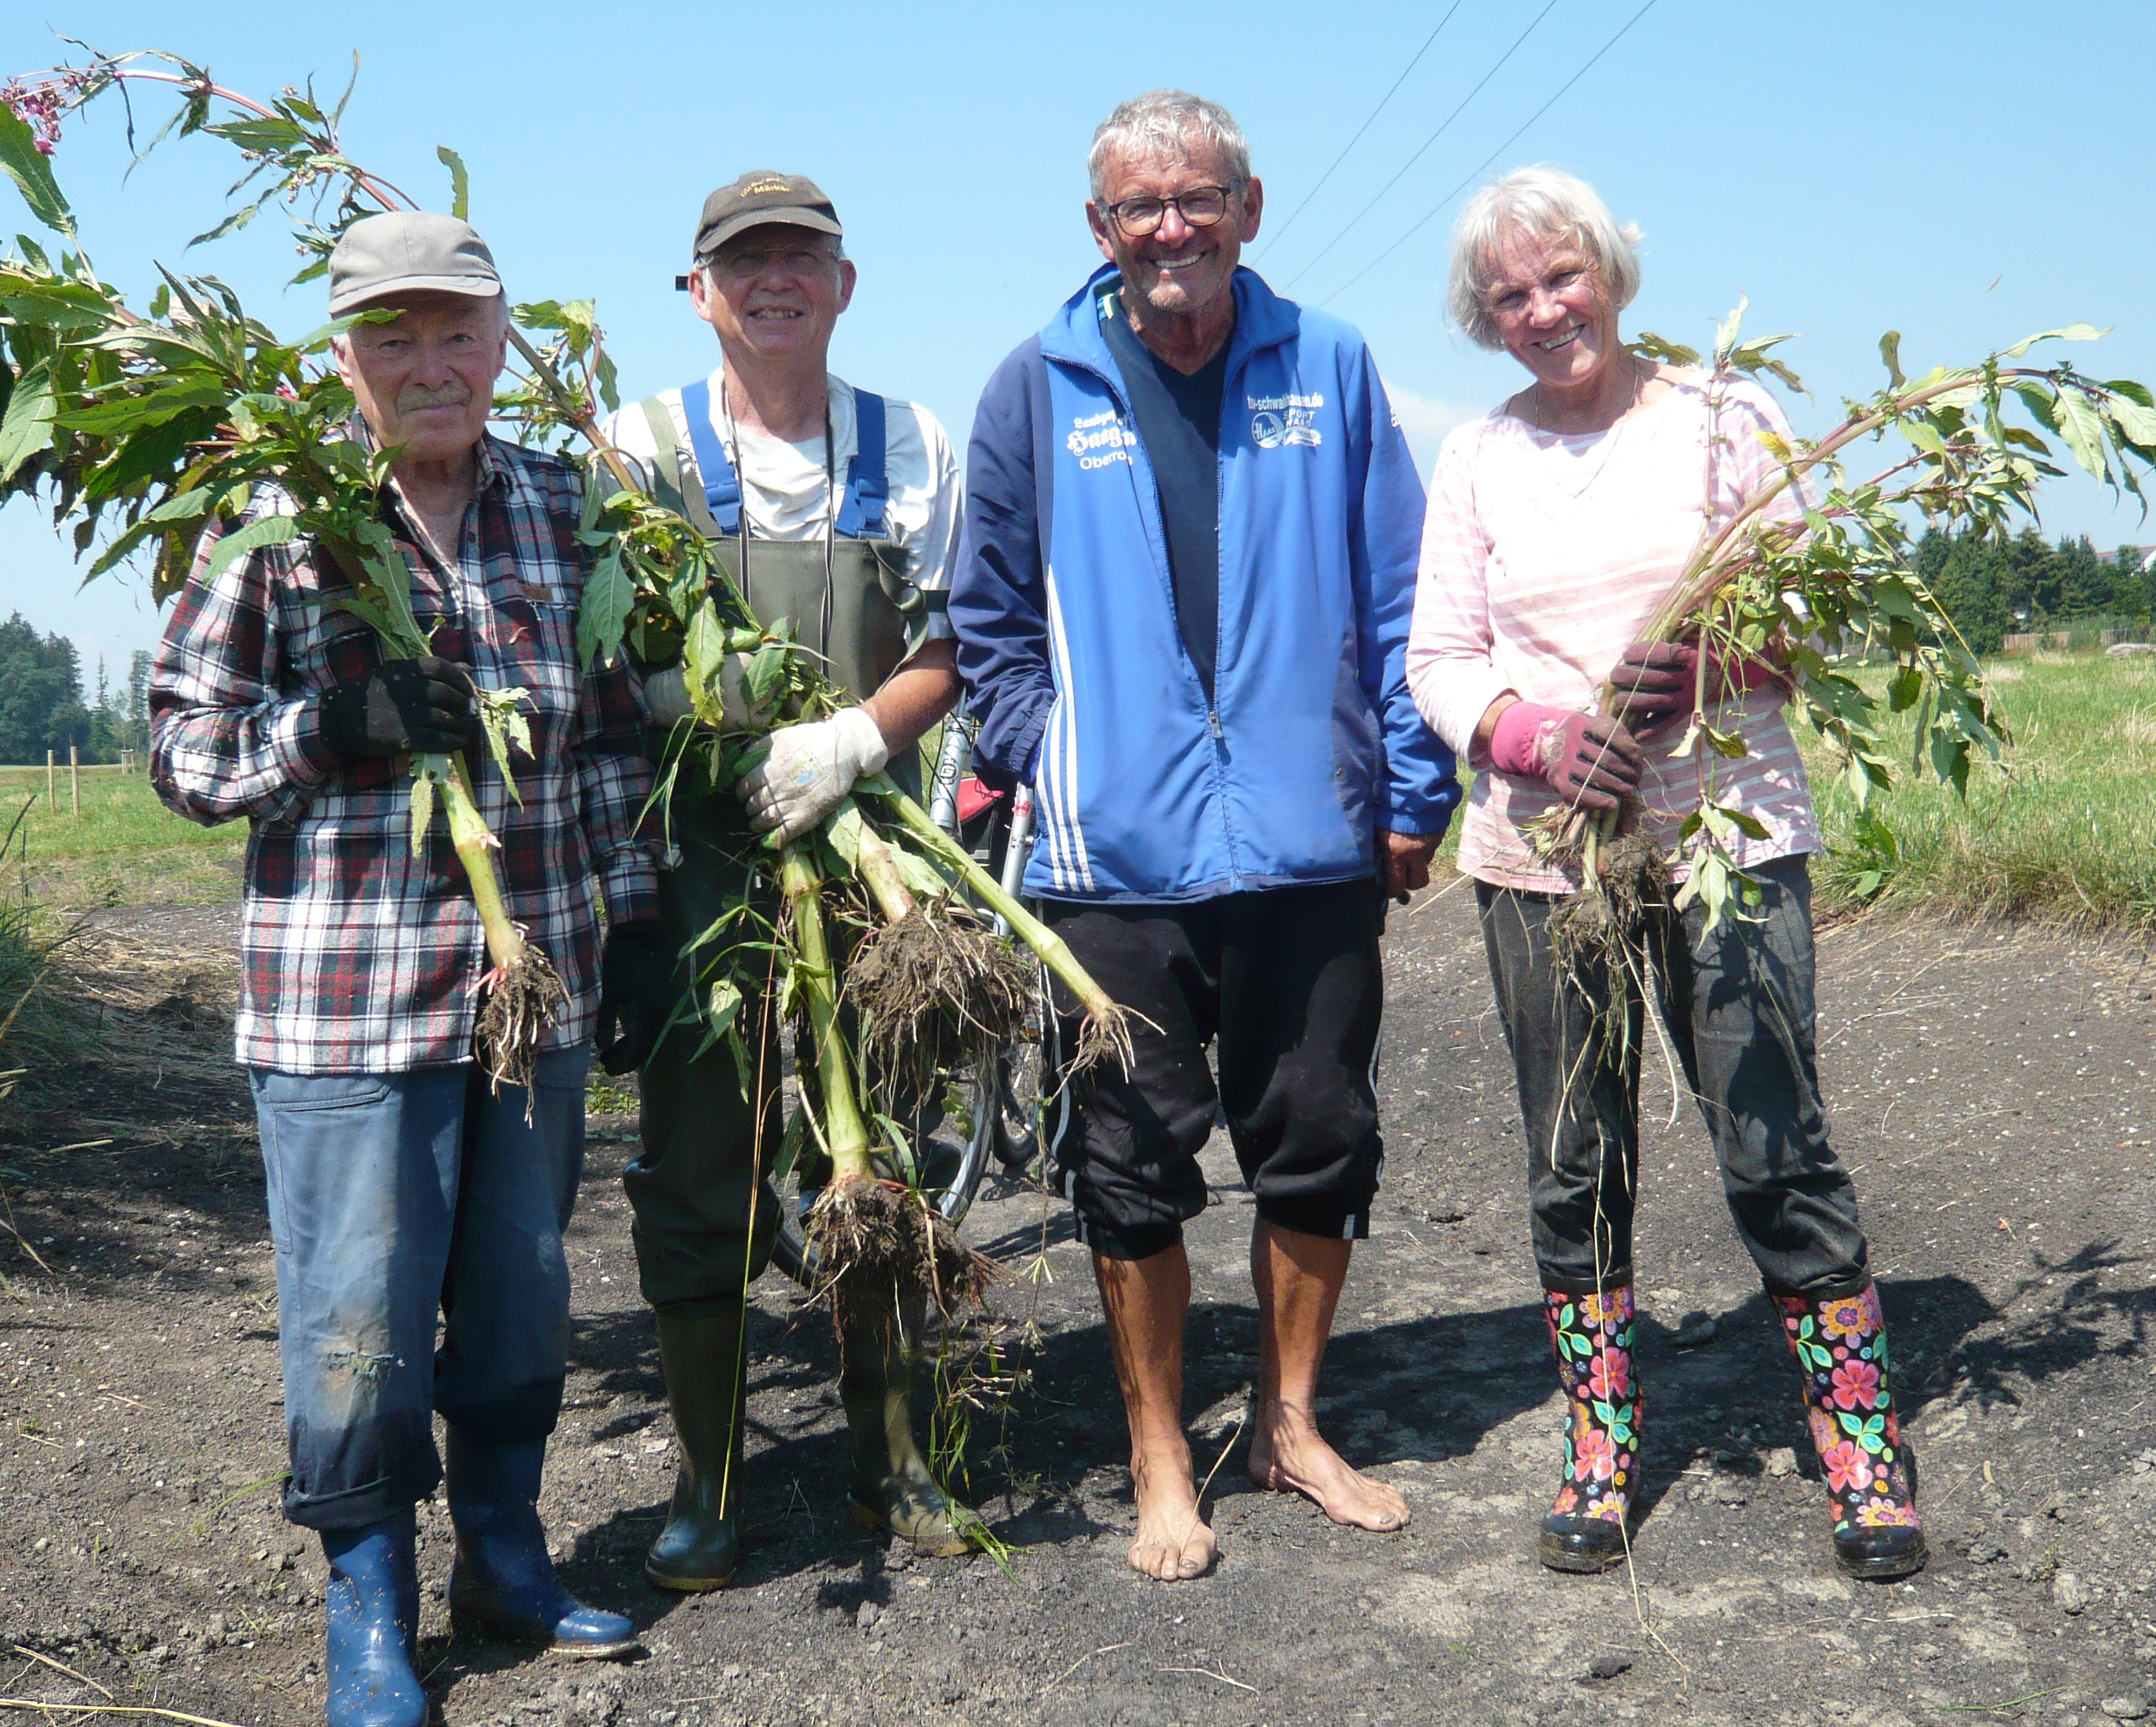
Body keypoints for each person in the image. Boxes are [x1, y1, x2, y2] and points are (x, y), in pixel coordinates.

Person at [151, 213, 652, 1727]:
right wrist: (332, 730)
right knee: (359, 1319)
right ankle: (363, 1593)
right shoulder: (275, 523)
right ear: (343, 357)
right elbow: (179, 753)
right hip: (343, 1006)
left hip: (528, 995)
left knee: (519, 1302)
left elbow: (610, 739)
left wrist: (622, 920)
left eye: (454, 333)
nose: (428, 365)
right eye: (392, 338)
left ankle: (501, 1547)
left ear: (503, 342)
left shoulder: (565, 509)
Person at [951, 91, 1458, 1582]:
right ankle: (1160, 1450)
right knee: (1128, 1161)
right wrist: (1061, 756)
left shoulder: (1334, 364)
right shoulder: (1033, 386)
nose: (1169, 228)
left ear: (1248, 204)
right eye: (1137, 207)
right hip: (1114, 867)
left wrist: (1412, 791)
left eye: (1198, 198)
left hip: (1311, 845)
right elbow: (984, 623)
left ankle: (1289, 1425)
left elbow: (1399, 595)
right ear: (1097, 231)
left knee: (1318, 1141)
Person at [1404, 166, 1928, 1583]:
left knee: (1772, 1134)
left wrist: (1712, 664)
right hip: (1546, 859)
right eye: (1508, 295)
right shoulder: (1479, 462)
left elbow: (1812, 608)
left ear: (1613, 275)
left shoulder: (1719, 417)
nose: (1541, 309)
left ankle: (1860, 1446)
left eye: (1560, 277)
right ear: (1485, 319)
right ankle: (1600, 1432)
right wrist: (1533, 736)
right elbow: (1439, 663)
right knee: (1574, 1155)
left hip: (1723, 842)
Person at [596, 171, 968, 1589]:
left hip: (873, 865)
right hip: (701, 876)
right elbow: (606, 652)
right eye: (741, 262)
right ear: (700, 292)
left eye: (800, 258)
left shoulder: (911, 443)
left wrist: (857, 738)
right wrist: (707, 728)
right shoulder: (636, 450)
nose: (772, 281)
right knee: (697, 1174)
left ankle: (894, 1452)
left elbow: (959, 635)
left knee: (877, 1151)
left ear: (844, 283)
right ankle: (706, 1479)